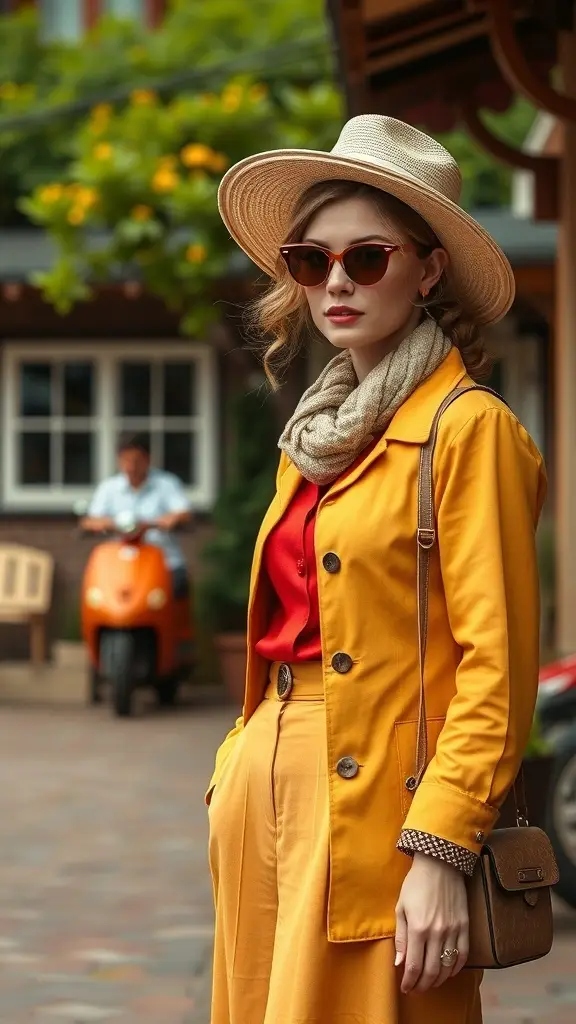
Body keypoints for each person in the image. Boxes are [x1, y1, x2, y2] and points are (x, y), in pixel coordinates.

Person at [206, 116, 546, 1024]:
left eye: (369, 258)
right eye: (313, 263)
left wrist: (441, 846)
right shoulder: (310, 441)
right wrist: (238, 763)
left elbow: (498, 670)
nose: (338, 284)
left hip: (383, 805)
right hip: (261, 784)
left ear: (428, 269)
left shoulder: (470, 431)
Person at [82, 432, 192, 597]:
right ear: (119, 460)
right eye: (126, 460)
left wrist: (172, 518)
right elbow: (89, 521)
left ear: (147, 459)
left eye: (136, 461)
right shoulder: (109, 488)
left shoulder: (166, 484)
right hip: (120, 564)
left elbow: (185, 513)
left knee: (177, 587)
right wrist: (106, 523)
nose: (131, 467)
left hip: (163, 562)